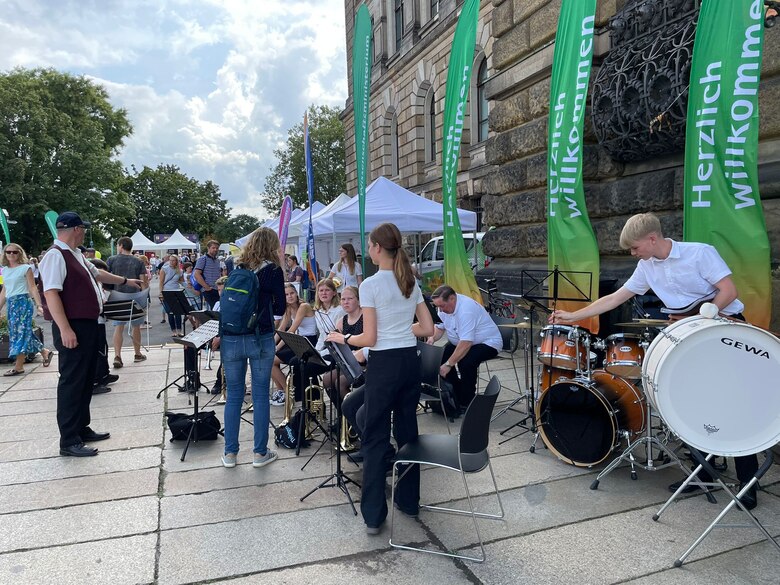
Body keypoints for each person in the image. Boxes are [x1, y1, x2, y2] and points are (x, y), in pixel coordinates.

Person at [549, 212, 758, 509]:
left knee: (731, 404)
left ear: (652, 238)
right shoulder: (645, 266)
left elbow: (729, 291)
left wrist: (696, 314)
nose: (633, 254)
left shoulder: (699, 254)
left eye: (635, 248)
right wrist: (574, 316)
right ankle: (702, 471)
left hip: (724, 332)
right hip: (688, 336)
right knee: (690, 404)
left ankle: (749, 481)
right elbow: (614, 299)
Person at [327, 222, 434, 534]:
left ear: (376, 248)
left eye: (370, 246)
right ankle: (409, 501)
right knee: (408, 433)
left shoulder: (371, 285)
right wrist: (400, 330)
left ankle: (374, 515)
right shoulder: (409, 281)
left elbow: (370, 337)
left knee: (374, 437)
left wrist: (342, 337)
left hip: (385, 366)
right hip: (408, 364)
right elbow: (428, 329)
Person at [39, 212, 142, 457]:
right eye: (82, 228)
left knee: (86, 379)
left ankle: (81, 427)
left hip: (87, 324)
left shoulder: (75, 255)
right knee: (72, 381)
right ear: (75, 229)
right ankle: (68, 439)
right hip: (73, 324)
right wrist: (65, 328)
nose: (84, 231)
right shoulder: (56, 255)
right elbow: (51, 294)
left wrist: (126, 280)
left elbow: (98, 274)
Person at [221, 228, 285, 469]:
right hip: (260, 336)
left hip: (232, 336)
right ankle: (259, 453)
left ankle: (230, 454)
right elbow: (279, 308)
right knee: (260, 395)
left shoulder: (234, 265)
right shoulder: (273, 270)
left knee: (234, 395)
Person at [428, 284, 502, 412]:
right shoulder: (444, 308)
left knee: (466, 362)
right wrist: (432, 338)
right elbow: (440, 327)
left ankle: (467, 402)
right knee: (441, 357)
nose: (440, 309)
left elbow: (466, 343)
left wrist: (449, 364)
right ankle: (456, 394)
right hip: (461, 341)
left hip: (488, 342)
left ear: (452, 298)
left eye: (442, 306)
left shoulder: (466, 310)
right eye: (437, 306)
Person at [0, 243, 54, 376]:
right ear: (5, 254)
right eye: (8, 252)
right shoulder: (4, 270)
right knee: (22, 332)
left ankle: (19, 366)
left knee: (20, 333)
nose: (11, 254)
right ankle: (44, 352)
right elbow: (4, 291)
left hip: (23, 302)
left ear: (20, 253)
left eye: (15, 252)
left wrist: (39, 305)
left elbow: (32, 287)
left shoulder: (26, 268)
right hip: (11, 304)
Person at [269, 283, 317, 405]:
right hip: (297, 340)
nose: (290, 296)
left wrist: (276, 348)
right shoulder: (289, 308)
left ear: (296, 293)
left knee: (271, 361)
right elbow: (281, 329)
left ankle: (288, 392)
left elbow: (291, 331)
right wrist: (270, 346)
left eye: (292, 293)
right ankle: (282, 390)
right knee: (267, 358)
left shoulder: (304, 306)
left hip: (308, 342)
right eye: (286, 294)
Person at [107, 237, 149, 368]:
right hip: (135, 295)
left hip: (117, 295)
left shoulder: (111, 260)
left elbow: (106, 278)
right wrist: (145, 299)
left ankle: (117, 356)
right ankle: (137, 354)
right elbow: (143, 281)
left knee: (118, 327)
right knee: (136, 326)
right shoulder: (138, 261)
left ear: (120, 246)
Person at [159, 254, 186, 337]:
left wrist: (188, 286)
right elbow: (161, 282)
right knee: (170, 312)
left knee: (178, 312)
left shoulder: (180, 271)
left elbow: (181, 281)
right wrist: (161, 292)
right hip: (167, 291)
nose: (171, 262)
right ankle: (173, 331)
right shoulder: (164, 269)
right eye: (170, 260)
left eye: (173, 260)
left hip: (176, 291)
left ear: (176, 261)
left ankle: (179, 330)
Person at [194, 239, 222, 309]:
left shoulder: (217, 260)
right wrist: (206, 287)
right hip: (208, 290)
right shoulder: (203, 259)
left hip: (217, 289)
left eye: (217, 248)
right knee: (214, 310)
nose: (215, 249)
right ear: (208, 248)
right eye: (213, 248)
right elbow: (197, 274)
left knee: (217, 309)